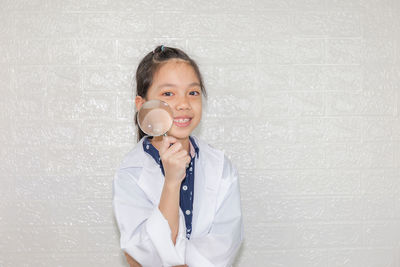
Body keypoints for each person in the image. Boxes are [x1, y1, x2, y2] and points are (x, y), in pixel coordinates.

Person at [113, 45, 243, 267]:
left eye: (193, 92)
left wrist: (169, 257)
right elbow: (141, 255)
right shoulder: (130, 172)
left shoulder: (220, 166)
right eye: (168, 93)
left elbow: (225, 244)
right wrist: (172, 181)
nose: (184, 104)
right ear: (142, 105)